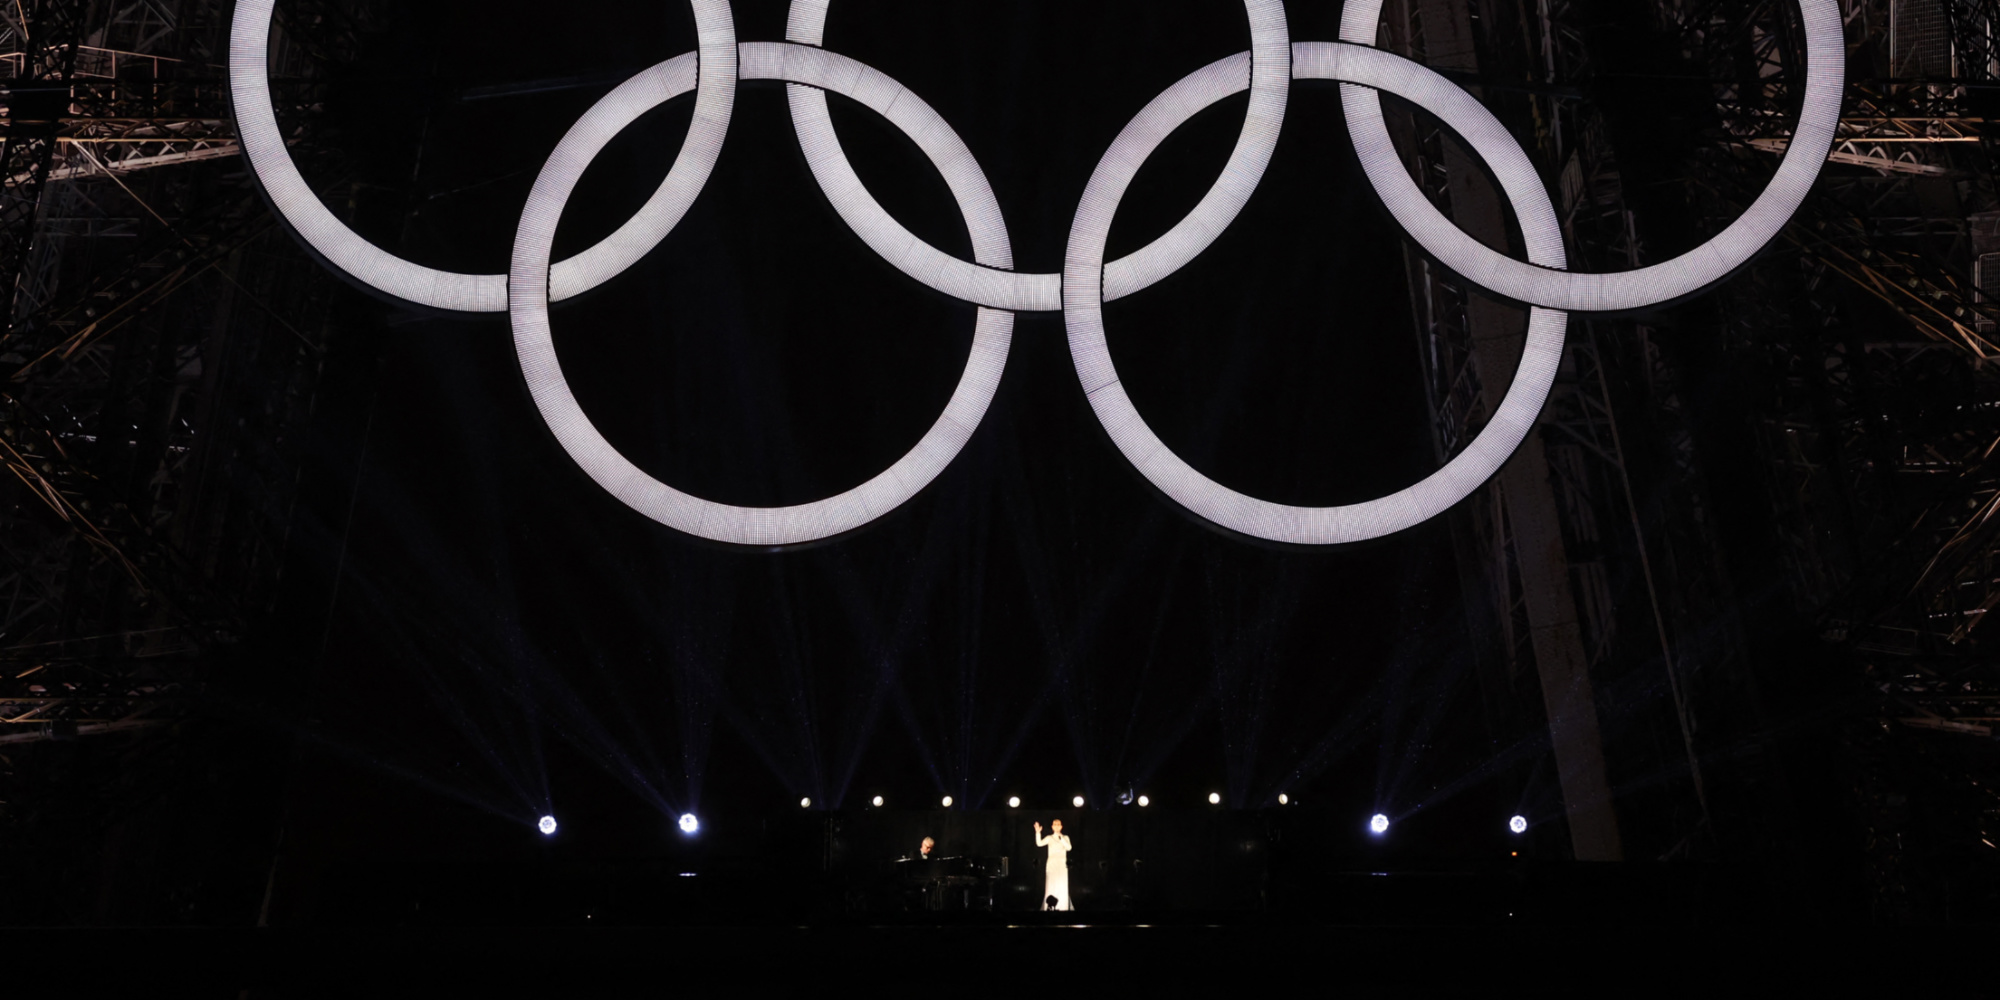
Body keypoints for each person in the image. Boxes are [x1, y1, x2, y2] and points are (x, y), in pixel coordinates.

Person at [1033, 819, 1072, 911]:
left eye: (1058, 824)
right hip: (1052, 865)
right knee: (1051, 885)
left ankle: (1063, 907)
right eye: (1055, 824)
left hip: (1062, 865)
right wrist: (1038, 833)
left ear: (1061, 826)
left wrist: (1061, 838)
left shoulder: (1065, 837)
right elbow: (1039, 843)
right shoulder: (1049, 837)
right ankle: (1049, 907)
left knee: (1061, 885)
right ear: (1052, 827)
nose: (1057, 826)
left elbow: (1069, 848)